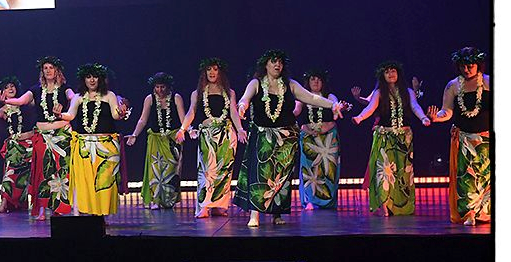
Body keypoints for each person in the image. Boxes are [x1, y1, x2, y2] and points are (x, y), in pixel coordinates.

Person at [235, 51, 346, 227]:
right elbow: (245, 98)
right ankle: (255, 214)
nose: (277, 65)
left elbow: (311, 97)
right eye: (273, 61)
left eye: (280, 62)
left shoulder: (290, 84)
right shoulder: (256, 83)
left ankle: (276, 213)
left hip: (286, 138)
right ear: (266, 64)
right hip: (263, 135)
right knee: (260, 173)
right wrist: (242, 105)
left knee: (281, 176)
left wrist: (332, 104)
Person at [350, 60, 429, 216]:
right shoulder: (379, 93)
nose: (390, 74)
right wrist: (359, 117)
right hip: (384, 137)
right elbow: (370, 108)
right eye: (387, 72)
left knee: (403, 173)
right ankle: (384, 204)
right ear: (382, 76)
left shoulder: (408, 92)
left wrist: (423, 117)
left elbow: (415, 106)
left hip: (404, 138)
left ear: (398, 73)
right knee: (384, 171)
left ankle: (401, 205)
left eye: (393, 71)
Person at [427, 47, 491, 225]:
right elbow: (446, 111)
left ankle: (485, 213)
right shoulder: (453, 85)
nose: (466, 69)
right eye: (463, 66)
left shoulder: (489, 82)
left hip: (486, 140)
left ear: (478, 65)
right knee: (466, 178)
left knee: (486, 177)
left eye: (470, 66)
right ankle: (469, 213)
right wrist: (436, 118)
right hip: (464, 139)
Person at [60, 64, 130, 216]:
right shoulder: (78, 97)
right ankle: (87, 212)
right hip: (84, 146)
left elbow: (115, 115)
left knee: (104, 181)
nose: (92, 80)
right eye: (88, 77)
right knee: (86, 181)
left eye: (95, 77)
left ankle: (101, 215)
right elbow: (70, 115)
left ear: (100, 79)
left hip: (106, 146)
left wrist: (121, 113)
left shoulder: (109, 95)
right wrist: (60, 115)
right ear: (83, 79)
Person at [181, 58, 244, 218]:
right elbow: (191, 112)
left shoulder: (229, 92)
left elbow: (233, 112)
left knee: (224, 170)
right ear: (204, 72)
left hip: (227, 134)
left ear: (220, 72)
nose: (212, 72)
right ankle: (204, 205)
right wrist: (183, 129)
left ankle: (219, 205)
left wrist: (240, 129)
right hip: (207, 135)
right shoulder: (198, 93)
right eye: (209, 69)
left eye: (215, 69)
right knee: (207, 170)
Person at [126, 72, 186, 210]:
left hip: (173, 139)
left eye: (162, 87)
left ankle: (169, 200)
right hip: (155, 138)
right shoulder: (150, 99)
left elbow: (183, 118)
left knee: (172, 170)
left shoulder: (176, 98)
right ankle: (156, 200)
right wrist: (134, 135)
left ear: (168, 87)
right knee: (156, 170)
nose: (160, 90)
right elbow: (143, 119)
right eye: (157, 87)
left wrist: (187, 130)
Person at [28, 56, 74, 220]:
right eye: (45, 68)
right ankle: (41, 209)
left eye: (51, 68)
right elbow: (21, 100)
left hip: (61, 135)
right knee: (43, 170)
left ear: (57, 71)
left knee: (61, 170)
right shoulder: (36, 90)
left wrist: (72, 104)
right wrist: (6, 100)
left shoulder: (64, 89)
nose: (48, 70)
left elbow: (73, 97)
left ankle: (59, 207)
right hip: (43, 135)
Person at [295, 69, 341, 210]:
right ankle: (310, 200)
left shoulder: (329, 96)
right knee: (309, 170)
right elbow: (296, 111)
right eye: (312, 79)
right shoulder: (303, 97)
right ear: (308, 82)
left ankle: (328, 201)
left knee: (329, 169)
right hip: (308, 138)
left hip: (328, 138)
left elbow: (335, 106)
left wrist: (338, 109)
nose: (315, 82)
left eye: (319, 79)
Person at [0, 76, 33, 213]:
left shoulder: (25, 102)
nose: (10, 89)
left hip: (30, 144)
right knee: (9, 173)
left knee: (27, 176)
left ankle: (24, 202)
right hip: (14, 146)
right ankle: (4, 202)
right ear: (2, 92)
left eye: (12, 86)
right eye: (6, 88)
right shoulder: (5, 108)